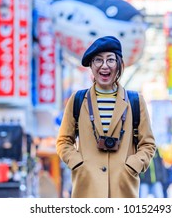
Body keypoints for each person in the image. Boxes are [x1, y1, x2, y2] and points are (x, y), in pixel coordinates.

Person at [56, 36, 156, 198]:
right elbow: (63, 141)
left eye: (110, 60)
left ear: (119, 65)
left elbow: (148, 144)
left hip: (123, 189)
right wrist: (79, 164)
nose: (104, 66)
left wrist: (132, 166)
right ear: (91, 65)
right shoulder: (78, 100)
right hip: (87, 189)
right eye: (98, 60)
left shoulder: (136, 101)